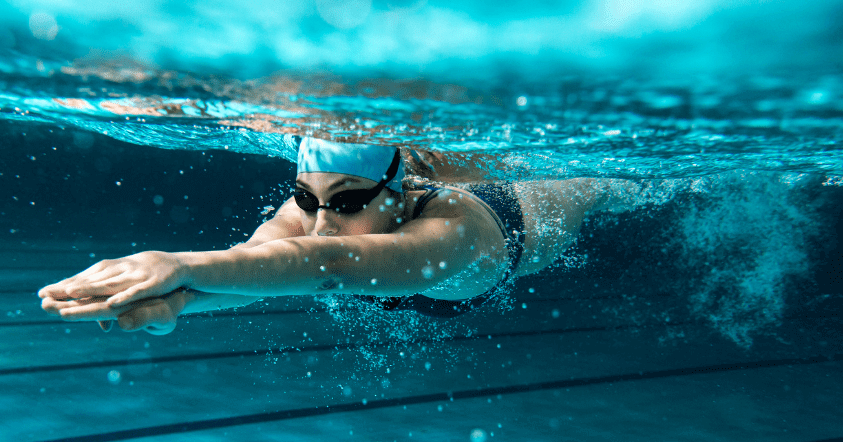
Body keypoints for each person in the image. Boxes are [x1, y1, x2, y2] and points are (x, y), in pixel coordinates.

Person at [38, 137, 618, 334]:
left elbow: (330, 265)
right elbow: (254, 266)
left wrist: (177, 264)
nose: (320, 222)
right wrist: (177, 304)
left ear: (399, 195)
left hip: (539, 207)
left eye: (345, 202)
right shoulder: (311, 218)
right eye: (306, 199)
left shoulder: (454, 232)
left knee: (606, 182)